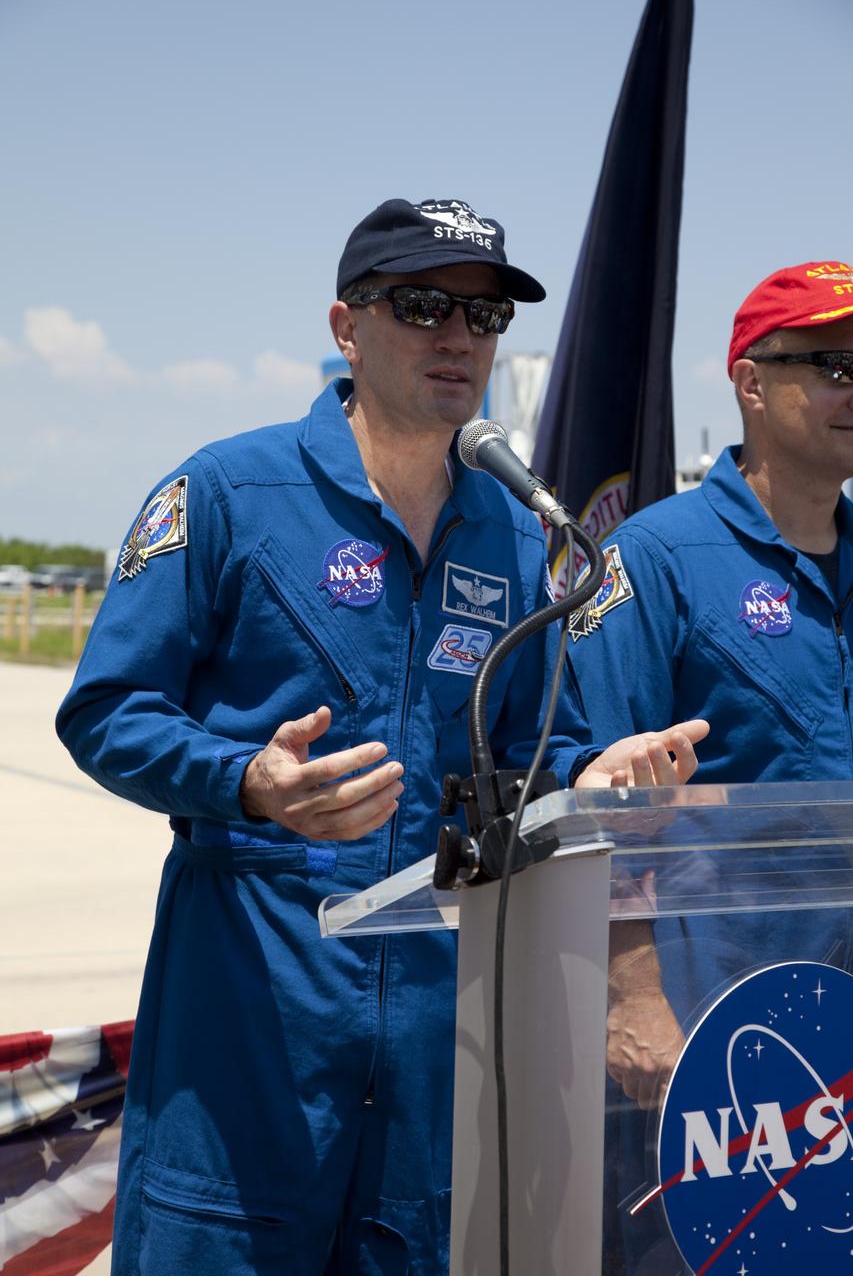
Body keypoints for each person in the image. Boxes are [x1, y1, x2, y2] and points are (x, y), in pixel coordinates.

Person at [57, 196, 706, 1276]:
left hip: (428, 1057)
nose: (459, 338)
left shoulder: (513, 530)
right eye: (423, 306)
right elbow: (105, 710)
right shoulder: (228, 491)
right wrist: (246, 780)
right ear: (345, 325)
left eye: (485, 316)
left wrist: (597, 773)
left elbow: (537, 750)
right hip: (248, 1031)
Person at [568, 258, 853, 1271]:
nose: (850, 390)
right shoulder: (654, 560)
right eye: (831, 364)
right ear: (749, 381)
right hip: (712, 1029)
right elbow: (595, 798)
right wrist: (635, 999)